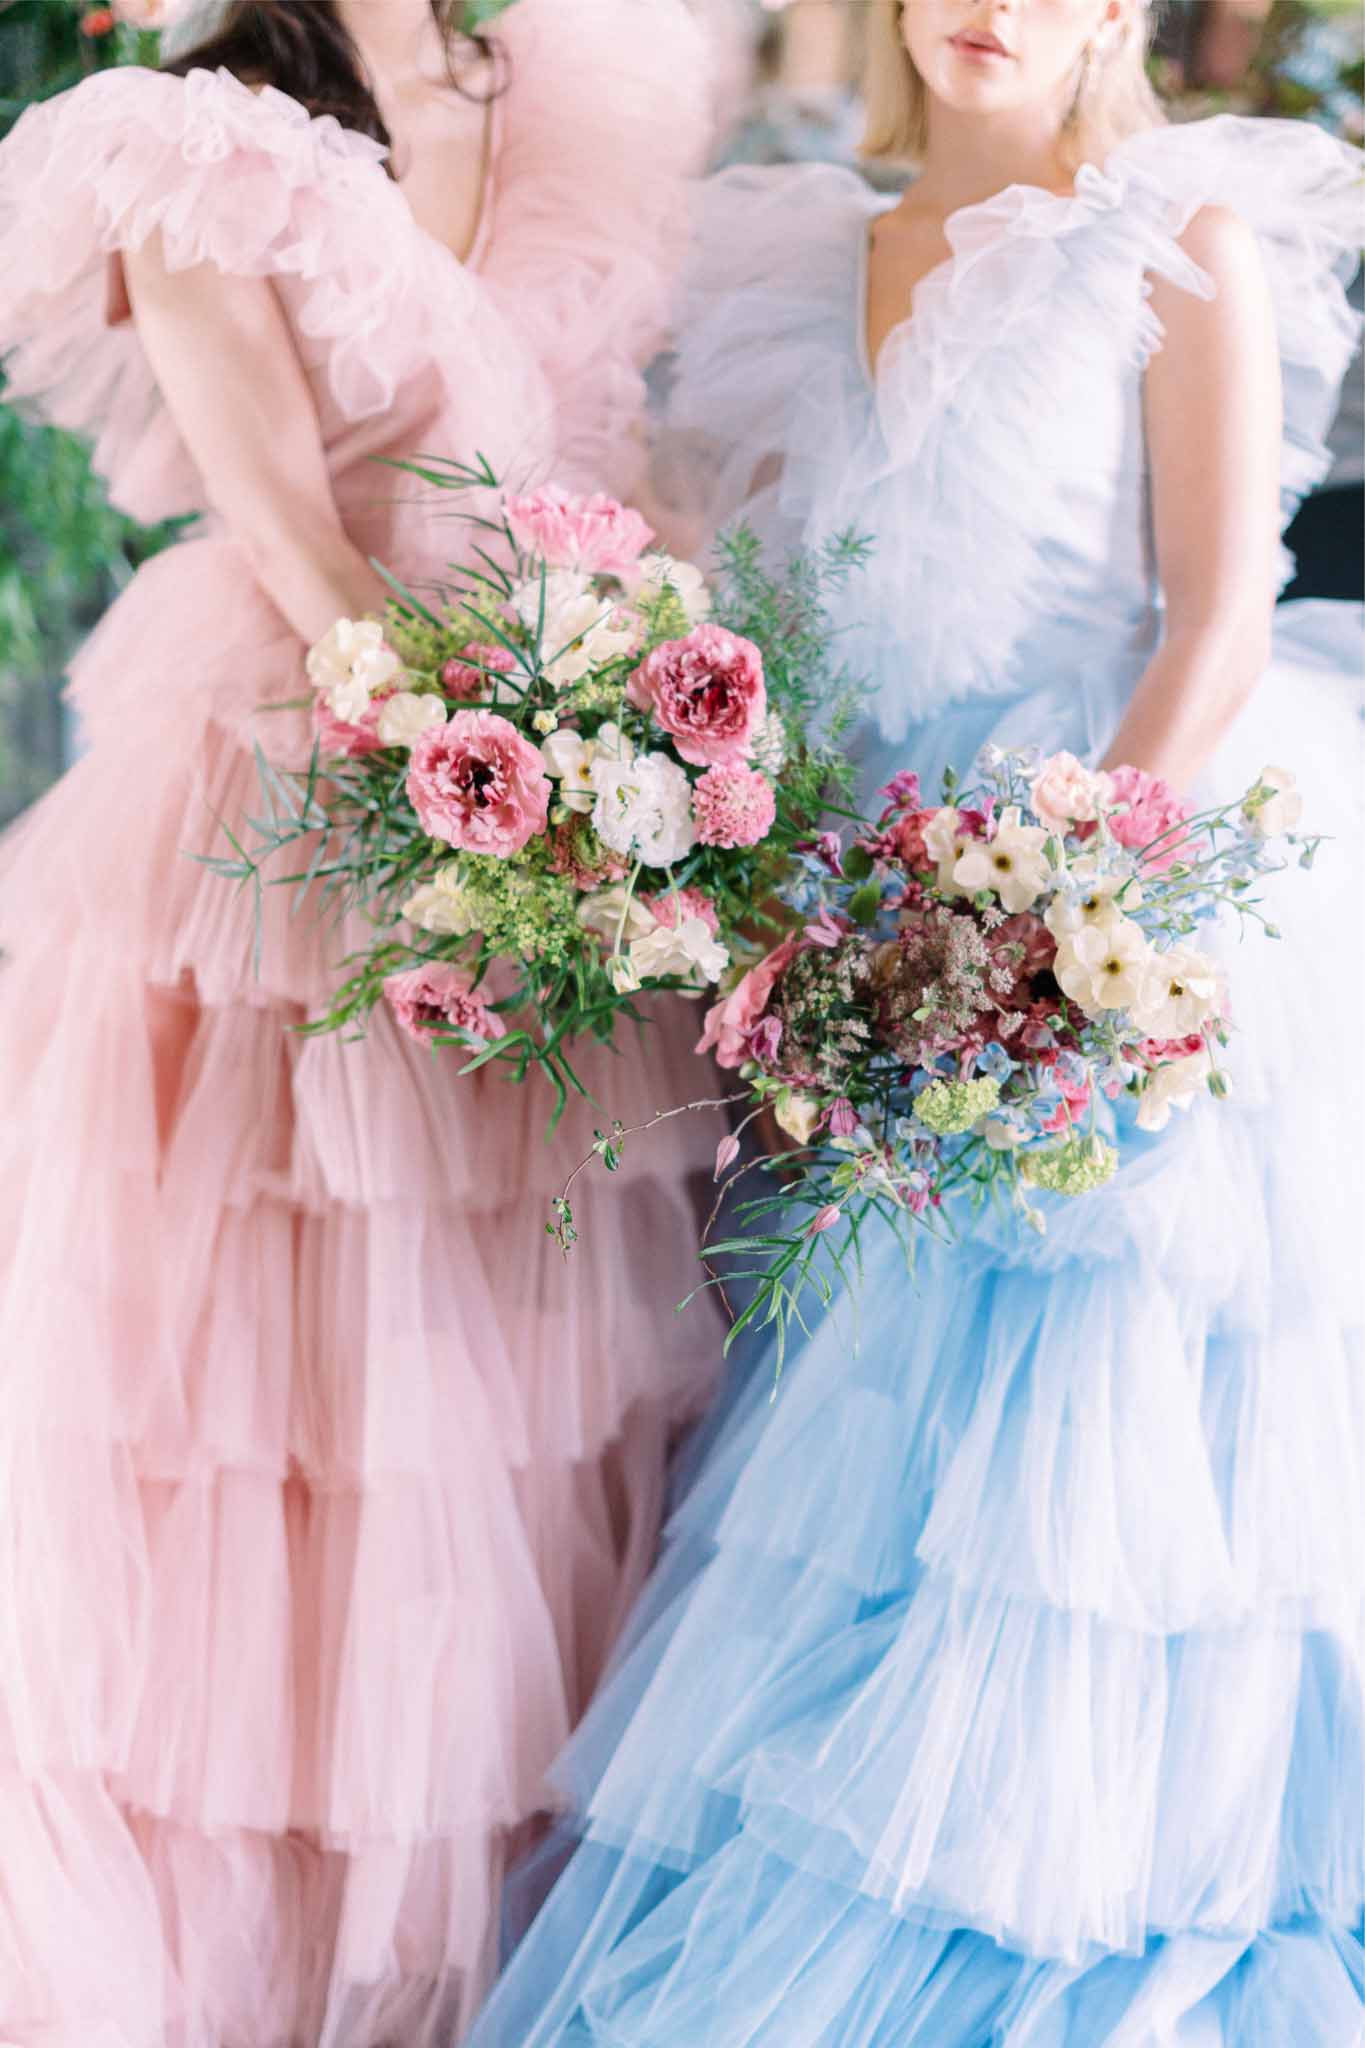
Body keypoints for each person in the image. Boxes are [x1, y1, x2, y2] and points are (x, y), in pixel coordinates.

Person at [467, 0, 1365, 2041]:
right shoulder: (800, 255)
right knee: (853, 1453)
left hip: (1102, 876)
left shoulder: (1177, 231)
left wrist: (1038, 916)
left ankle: (1062, 1901)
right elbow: (761, 631)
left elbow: (1214, 618)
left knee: (1065, 1462)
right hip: (863, 922)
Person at [0, 0, 720, 2038]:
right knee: (280, 1394)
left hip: (551, 769)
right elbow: (290, 533)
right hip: (305, 776)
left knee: (492, 1383)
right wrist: (498, 770)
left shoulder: (577, 84)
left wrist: (641, 713)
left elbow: (611, 443)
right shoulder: (190, 130)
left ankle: (476, 1909)